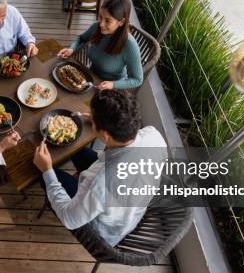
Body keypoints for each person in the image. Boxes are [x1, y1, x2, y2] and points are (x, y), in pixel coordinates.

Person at [33, 89, 167, 246]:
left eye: (94, 119)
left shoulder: (99, 183)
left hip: (104, 229)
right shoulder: (154, 136)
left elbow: (69, 218)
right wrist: (99, 122)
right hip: (127, 201)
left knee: (43, 174)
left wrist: (47, 170)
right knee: (75, 149)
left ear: (105, 136)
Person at [57, 0, 144, 90]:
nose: (101, 24)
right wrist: (72, 49)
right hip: (90, 79)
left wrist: (113, 85)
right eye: (100, 17)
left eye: (108, 21)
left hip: (111, 90)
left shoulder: (130, 45)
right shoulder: (97, 27)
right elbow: (81, 38)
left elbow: (137, 79)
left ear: (121, 22)